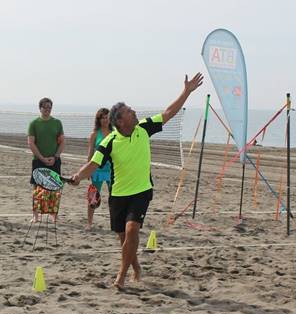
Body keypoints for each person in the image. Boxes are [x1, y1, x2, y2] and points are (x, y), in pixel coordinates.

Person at [71, 73, 204, 289]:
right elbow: (94, 164)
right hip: (118, 194)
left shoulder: (143, 127)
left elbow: (169, 113)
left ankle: (120, 277)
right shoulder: (110, 141)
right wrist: (78, 176)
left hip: (141, 191)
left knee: (132, 230)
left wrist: (186, 92)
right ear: (121, 121)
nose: (134, 112)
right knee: (124, 239)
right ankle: (135, 267)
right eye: (129, 112)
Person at [27, 97, 64, 222]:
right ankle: (35, 215)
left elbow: (62, 142)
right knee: (37, 188)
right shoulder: (34, 123)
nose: (47, 109)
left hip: (54, 160)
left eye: (49, 107)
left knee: (55, 187)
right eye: (45, 107)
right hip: (38, 160)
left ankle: (54, 214)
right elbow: (31, 143)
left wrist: (55, 157)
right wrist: (42, 158)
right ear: (40, 108)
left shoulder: (57, 123)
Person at [84, 108, 112, 231]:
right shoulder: (95, 134)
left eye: (107, 117)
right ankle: (89, 223)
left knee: (115, 198)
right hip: (97, 170)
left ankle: (115, 223)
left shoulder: (115, 133)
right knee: (93, 197)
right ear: (99, 120)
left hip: (112, 170)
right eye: (103, 118)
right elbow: (90, 154)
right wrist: (88, 170)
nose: (105, 120)